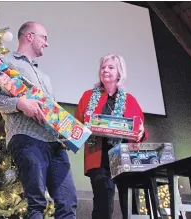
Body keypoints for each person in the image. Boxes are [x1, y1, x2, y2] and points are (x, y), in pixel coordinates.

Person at [0, 21, 77, 219]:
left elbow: (51, 113)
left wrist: (66, 135)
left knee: (68, 201)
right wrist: (20, 104)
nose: (47, 43)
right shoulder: (4, 63)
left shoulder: (45, 76)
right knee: (36, 202)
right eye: (44, 37)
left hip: (55, 144)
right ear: (29, 36)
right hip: (27, 138)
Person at [74, 54, 149, 219]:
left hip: (125, 160)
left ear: (119, 73)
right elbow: (77, 126)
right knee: (103, 206)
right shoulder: (88, 96)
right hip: (99, 160)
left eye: (110, 67)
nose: (105, 70)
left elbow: (141, 132)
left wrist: (141, 132)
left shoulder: (130, 100)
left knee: (131, 207)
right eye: (103, 67)